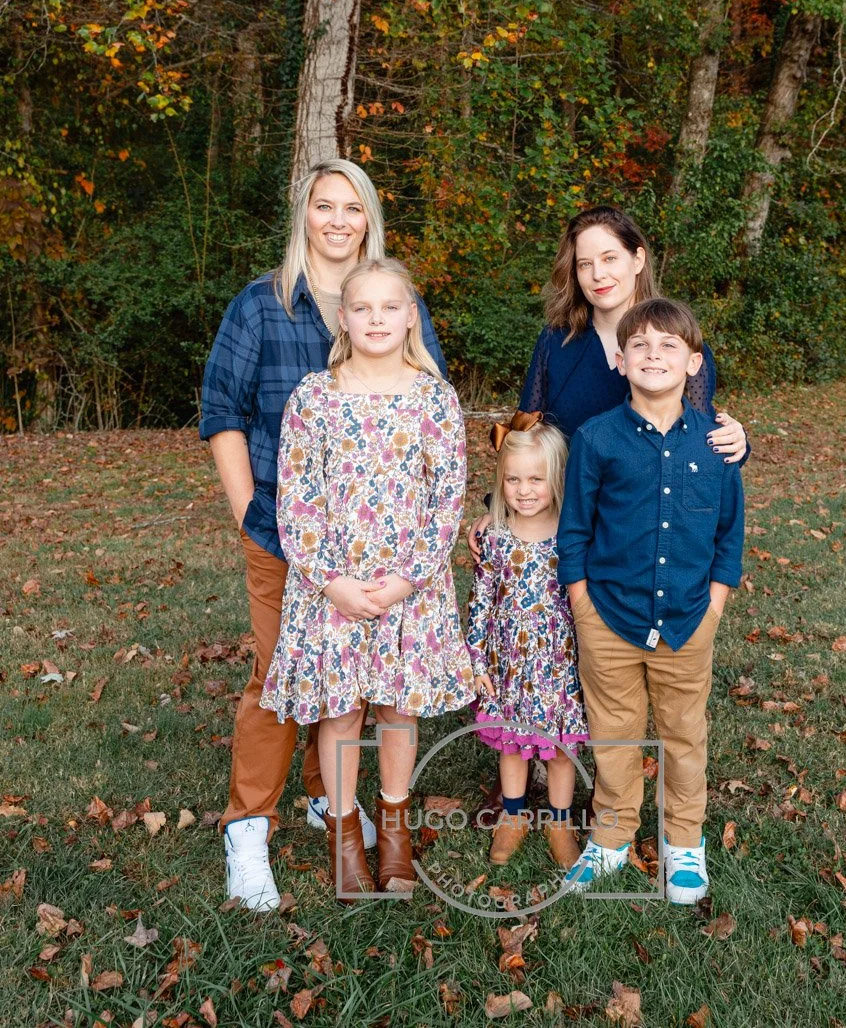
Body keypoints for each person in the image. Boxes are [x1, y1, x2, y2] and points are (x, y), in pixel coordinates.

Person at [200, 160, 446, 911]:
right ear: (303, 216)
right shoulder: (261, 305)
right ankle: (248, 826)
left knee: (351, 683)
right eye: (323, 206)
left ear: (369, 221)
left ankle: (324, 797)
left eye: (353, 209)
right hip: (289, 532)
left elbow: (429, 408)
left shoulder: (397, 304)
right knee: (282, 678)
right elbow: (222, 411)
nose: (338, 220)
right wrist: (251, 512)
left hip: (388, 549)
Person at [260, 259, 475, 898]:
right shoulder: (313, 396)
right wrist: (330, 581)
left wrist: (410, 578)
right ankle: (345, 835)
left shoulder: (434, 397)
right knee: (343, 710)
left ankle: (396, 832)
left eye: (391, 307)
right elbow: (294, 498)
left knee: (398, 708)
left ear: (411, 316)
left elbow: (448, 496)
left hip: (410, 588)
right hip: (334, 588)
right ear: (343, 319)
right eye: (364, 308)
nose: (377, 319)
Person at [556, 297, 745, 902]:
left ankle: (684, 840)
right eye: (640, 345)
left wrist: (714, 609)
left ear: (694, 363)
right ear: (619, 358)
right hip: (607, 616)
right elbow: (576, 530)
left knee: (683, 732)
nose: (653, 355)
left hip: (690, 621)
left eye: (669, 347)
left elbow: (729, 535)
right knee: (613, 730)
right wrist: (582, 604)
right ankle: (611, 835)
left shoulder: (717, 445)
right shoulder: (597, 439)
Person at [467, 206, 747, 564]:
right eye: (585, 264)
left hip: (643, 532)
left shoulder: (675, 346)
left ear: (638, 259)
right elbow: (524, 432)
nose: (598, 274)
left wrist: (738, 442)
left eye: (610, 258)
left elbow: (697, 441)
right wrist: (500, 506)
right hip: (567, 527)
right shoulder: (557, 342)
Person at [465, 414, 588, 872]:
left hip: (559, 662)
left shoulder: (572, 535)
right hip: (508, 661)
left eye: (536, 478)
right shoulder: (494, 536)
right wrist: (476, 657)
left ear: (556, 478)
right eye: (513, 479)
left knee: (560, 748)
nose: (525, 489)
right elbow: (480, 600)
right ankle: (513, 816)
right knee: (511, 743)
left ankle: (561, 822)